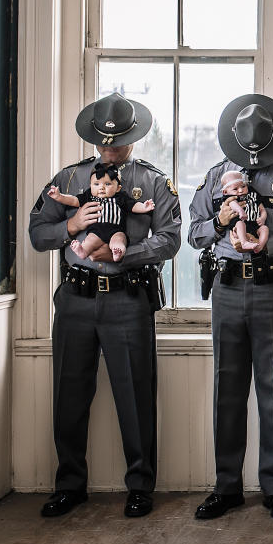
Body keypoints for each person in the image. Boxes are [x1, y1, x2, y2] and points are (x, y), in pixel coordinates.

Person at [28, 92, 181, 519]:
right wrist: (71, 224)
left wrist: (123, 254)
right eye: (104, 141)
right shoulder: (70, 178)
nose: (111, 148)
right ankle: (70, 484)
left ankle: (139, 486)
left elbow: (170, 240)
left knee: (135, 396)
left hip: (128, 301)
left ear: (133, 137)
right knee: (69, 396)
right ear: (94, 138)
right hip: (75, 300)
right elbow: (38, 233)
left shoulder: (151, 182)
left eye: (120, 140)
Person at [188, 94, 273, 522]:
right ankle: (226, 486)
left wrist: (268, 244)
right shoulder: (216, 176)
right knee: (227, 391)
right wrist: (222, 223)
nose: (253, 157)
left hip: (271, 288)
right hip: (227, 288)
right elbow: (193, 234)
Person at [48, 162, 156, 260]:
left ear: (118, 188)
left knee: (120, 239)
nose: (102, 188)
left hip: (116, 230)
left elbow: (133, 206)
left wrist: (144, 207)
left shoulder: (120, 197)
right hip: (96, 231)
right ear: (90, 186)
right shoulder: (89, 196)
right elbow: (73, 200)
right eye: (96, 184)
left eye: (107, 184)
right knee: (90, 241)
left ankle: (118, 252)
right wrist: (59, 197)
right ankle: (83, 251)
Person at [220, 169, 269, 254]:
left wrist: (263, 218)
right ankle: (244, 243)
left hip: (254, 224)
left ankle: (260, 246)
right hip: (240, 222)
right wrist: (240, 211)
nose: (240, 190)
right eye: (235, 189)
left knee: (265, 229)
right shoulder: (230, 198)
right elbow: (233, 205)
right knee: (240, 224)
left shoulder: (253, 195)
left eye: (243, 186)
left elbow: (262, 209)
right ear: (225, 192)